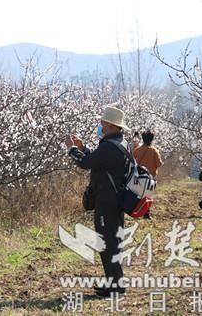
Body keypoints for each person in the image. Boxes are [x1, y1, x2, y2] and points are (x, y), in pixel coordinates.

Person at [65, 106, 130, 298]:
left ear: (110, 125)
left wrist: (72, 149)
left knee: (107, 242)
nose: (100, 126)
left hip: (107, 201)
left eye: (102, 123)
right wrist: (84, 148)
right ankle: (114, 283)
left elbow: (85, 163)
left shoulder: (109, 146)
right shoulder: (120, 143)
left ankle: (115, 287)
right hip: (115, 199)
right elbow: (97, 159)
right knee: (112, 241)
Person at [133, 130, 163, 219]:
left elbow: (133, 161)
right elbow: (159, 164)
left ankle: (137, 211)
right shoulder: (154, 151)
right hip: (150, 177)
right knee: (148, 195)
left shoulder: (137, 150)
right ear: (152, 139)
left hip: (139, 176)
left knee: (139, 195)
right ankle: (146, 213)